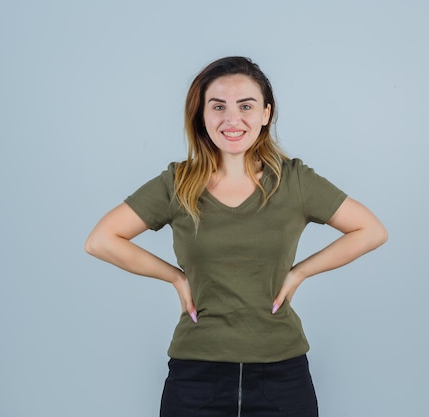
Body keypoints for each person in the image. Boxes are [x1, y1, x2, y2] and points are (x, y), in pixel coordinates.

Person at [84, 56, 387, 417]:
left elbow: (371, 230)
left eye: (246, 106)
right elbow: (101, 239)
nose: (232, 119)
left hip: (282, 375)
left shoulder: (295, 181)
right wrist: (176, 278)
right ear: (201, 115)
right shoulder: (177, 183)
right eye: (218, 106)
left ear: (265, 113)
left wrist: (300, 272)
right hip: (196, 376)